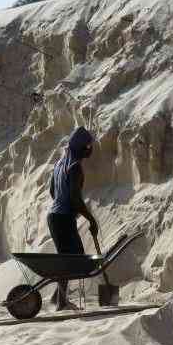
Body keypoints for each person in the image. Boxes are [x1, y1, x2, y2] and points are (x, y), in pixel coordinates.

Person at [48, 126, 99, 310]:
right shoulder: (75, 167)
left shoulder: (60, 164)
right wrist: (91, 219)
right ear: (81, 148)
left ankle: (57, 297)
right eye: (88, 146)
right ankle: (61, 302)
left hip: (54, 216)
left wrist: (62, 203)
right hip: (62, 218)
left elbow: (52, 190)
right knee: (72, 258)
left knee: (68, 257)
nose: (90, 149)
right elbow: (76, 198)